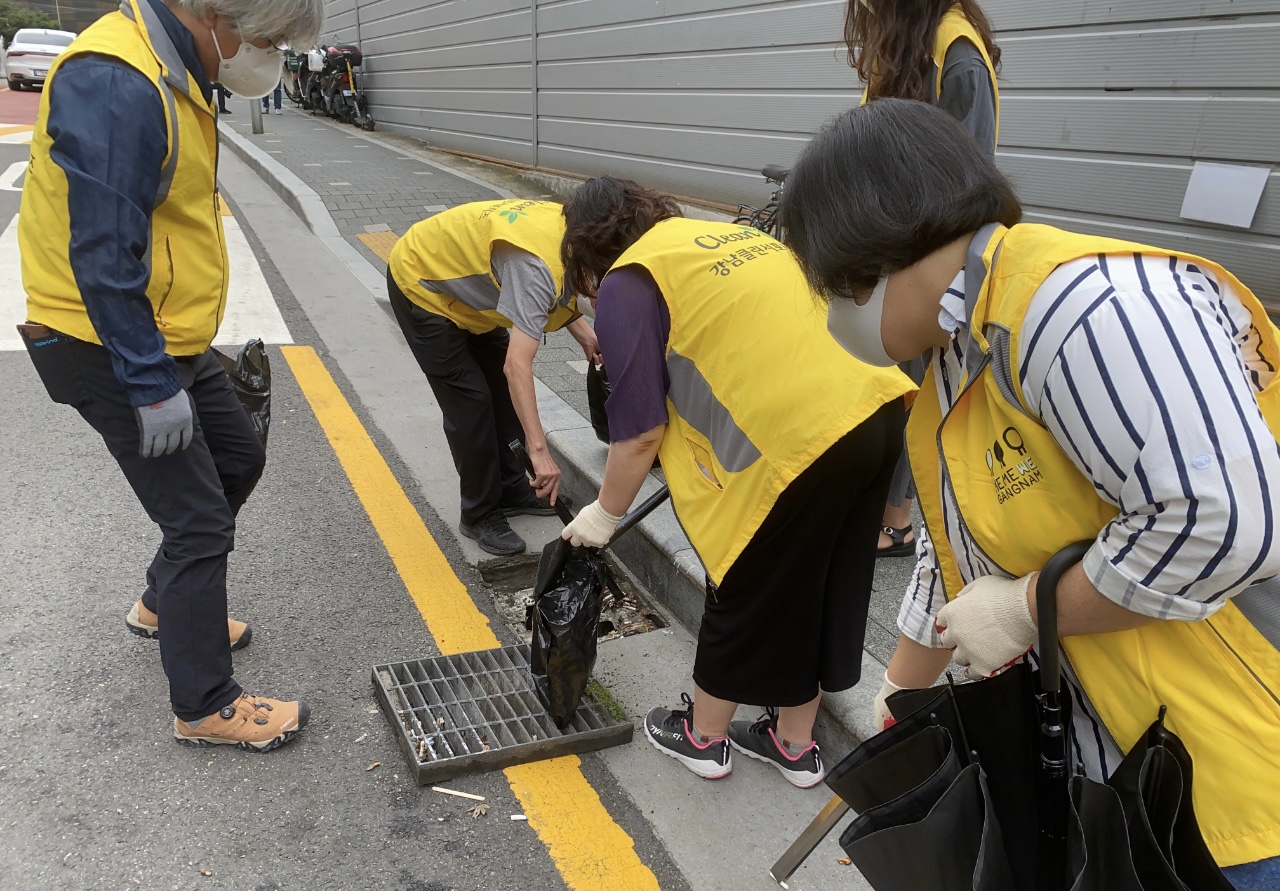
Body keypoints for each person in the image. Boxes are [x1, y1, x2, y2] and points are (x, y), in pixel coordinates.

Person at [780, 98, 1280, 885]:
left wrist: (1025, 607)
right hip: (1125, 768)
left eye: (827, 288)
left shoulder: (1075, 310)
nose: (833, 313)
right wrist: (902, 686)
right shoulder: (957, 356)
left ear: (867, 250)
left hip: (1237, 773)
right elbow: (957, 546)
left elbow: (1225, 524)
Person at [17, 0, 323, 752]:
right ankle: (205, 703)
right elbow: (102, 255)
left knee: (238, 458)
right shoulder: (120, 80)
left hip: (163, 334)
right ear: (218, 14)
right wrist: (150, 383)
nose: (272, 55)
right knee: (198, 523)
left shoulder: (177, 70)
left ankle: (163, 602)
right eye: (271, 38)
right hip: (105, 340)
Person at [558, 177, 914, 787]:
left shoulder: (631, 280)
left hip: (798, 443)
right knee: (826, 580)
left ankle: (703, 735)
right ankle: (794, 744)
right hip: (877, 414)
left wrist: (603, 514)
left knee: (743, 577)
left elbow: (639, 430)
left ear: (590, 251)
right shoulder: (728, 237)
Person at [844, 0, 1001, 558]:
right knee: (882, 387)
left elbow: (961, 185)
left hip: (923, 261)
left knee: (906, 392)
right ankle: (883, 506)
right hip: (888, 251)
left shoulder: (956, 57)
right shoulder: (911, 43)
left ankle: (898, 520)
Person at [387, 199, 600, 556]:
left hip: (472, 298)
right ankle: (479, 512)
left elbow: (554, 290)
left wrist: (583, 332)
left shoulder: (574, 232)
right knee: (471, 401)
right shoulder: (535, 264)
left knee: (501, 394)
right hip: (423, 284)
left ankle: (513, 487)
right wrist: (540, 453)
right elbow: (518, 366)